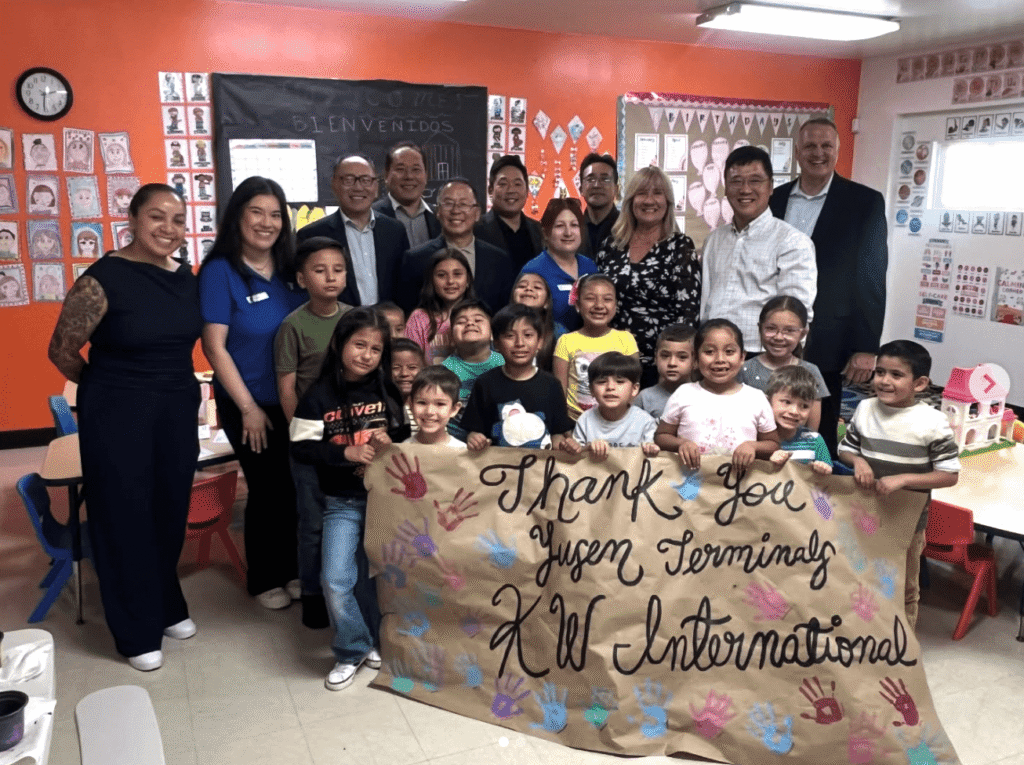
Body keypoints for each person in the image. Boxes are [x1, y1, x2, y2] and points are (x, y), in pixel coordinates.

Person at [46, 183, 201, 671]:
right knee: (123, 514)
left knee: (169, 508)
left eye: (178, 220)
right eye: (157, 217)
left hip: (176, 405)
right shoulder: (102, 278)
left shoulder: (186, 277)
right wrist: (107, 386)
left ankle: (165, 602)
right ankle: (134, 627)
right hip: (117, 410)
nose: (169, 230)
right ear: (132, 219)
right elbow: (62, 351)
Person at [198, 176, 305, 610]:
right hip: (249, 401)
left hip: (294, 399)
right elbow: (213, 346)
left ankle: (296, 568)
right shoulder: (220, 271)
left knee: (297, 486)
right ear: (237, 217)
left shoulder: (290, 267)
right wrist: (246, 408)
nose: (266, 222)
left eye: (275, 214)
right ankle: (265, 578)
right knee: (267, 488)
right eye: (256, 212)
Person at [289, 308, 408, 690]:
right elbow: (301, 447)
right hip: (342, 502)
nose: (367, 355)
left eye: (376, 348)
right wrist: (346, 455)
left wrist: (395, 439)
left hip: (385, 502)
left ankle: (373, 640)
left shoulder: (388, 389)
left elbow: (406, 433)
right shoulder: (317, 395)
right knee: (336, 578)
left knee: (373, 580)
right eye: (359, 344)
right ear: (339, 342)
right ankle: (351, 649)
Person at [770, 117, 888, 457]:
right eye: (809, 146)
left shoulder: (863, 202)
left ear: (837, 151)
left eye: (826, 146)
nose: (818, 153)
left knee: (818, 419)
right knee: (769, 415)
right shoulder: (774, 200)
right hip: (772, 330)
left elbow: (871, 275)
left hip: (828, 332)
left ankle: (817, 494)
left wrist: (866, 346)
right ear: (796, 152)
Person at [838, 340, 960, 629]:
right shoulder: (865, 409)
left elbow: (949, 474)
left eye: (896, 375)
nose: (884, 381)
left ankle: (900, 648)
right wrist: (858, 462)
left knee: (903, 586)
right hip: (863, 514)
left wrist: (904, 479)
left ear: (919, 384)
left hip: (908, 523)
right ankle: (859, 633)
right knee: (859, 576)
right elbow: (846, 448)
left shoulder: (933, 422)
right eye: (880, 372)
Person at [274, 236, 354, 628]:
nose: (330, 278)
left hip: (353, 440)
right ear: (302, 278)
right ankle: (311, 595)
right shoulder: (293, 326)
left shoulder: (357, 318)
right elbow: (287, 388)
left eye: (338, 270)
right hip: (310, 440)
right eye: (320, 271)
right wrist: (302, 436)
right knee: (313, 522)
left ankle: (347, 592)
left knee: (350, 516)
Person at [701, 146, 817, 355]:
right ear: (726, 188)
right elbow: (706, 304)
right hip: (713, 354)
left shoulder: (792, 242)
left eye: (755, 181)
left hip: (762, 355)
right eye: (736, 181)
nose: (745, 189)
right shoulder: (715, 239)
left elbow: (796, 313)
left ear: (771, 186)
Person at [594, 166, 701, 388]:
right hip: (612, 360)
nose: (649, 200)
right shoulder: (611, 245)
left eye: (658, 193)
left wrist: (674, 365)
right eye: (642, 193)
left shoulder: (680, 247)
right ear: (631, 200)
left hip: (661, 366)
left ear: (668, 201)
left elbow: (688, 314)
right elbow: (597, 298)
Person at [655, 318, 779, 471]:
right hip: (691, 486)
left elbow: (773, 444)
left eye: (729, 352)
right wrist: (681, 443)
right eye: (709, 352)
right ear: (695, 358)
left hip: (739, 487)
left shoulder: (756, 398)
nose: (720, 359)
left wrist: (752, 446)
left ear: (742, 357)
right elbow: (661, 436)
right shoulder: (684, 394)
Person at [461, 304, 579, 453]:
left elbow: (557, 433)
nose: (519, 343)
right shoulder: (485, 384)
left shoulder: (551, 384)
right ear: (496, 343)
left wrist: (565, 445)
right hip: (497, 471)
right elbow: (474, 431)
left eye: (528, 335)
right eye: (510, 336)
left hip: (541, 471)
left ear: (540, 342)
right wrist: (474, 439)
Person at [297, 154, 410, 306]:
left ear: (376, 187)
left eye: (365, 180)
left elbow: (404, 285)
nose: (358, 187)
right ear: (334, 185)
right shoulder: (311, 235)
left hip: (386, 325)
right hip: (337, 326)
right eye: (348, 180)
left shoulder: (395, 231)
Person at [398, 179, 514, 313]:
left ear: (477, 213)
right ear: (438, 211)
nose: (456, 210)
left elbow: (505, 314)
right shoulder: (415, 259)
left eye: (464, 204)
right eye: (448, 204)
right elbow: (407, 312)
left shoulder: (499, 260)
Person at [553, 274, 639, 421]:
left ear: (615, 305)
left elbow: (633, 388)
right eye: (590, 298)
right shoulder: (566, 341)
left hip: (617, 423)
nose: (599, 305)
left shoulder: (626, 340)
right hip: (576, 423)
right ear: (578, 305)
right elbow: (559, 392)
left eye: (607, 299)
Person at [738, 295, 828, 431]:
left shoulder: (811, 371)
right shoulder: (744, 369)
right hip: (753, 447)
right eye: (771, 328)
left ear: (803, 334)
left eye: (789, 331)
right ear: (760, 328)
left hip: (796, 448)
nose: (779, 337)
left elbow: (812, 431)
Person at [518, 198, 599, 332]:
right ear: (545, 233)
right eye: (559, 226)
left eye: (574, 225)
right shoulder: (533, 271)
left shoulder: (589, 266)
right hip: (549, 349)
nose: (568, 232)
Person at [573, 352, 659, 459]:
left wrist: (651, 449)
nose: (610, 387)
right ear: (591, 390)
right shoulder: (585, 420)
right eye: (602, 382)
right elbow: (576, 457)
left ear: (634, 389)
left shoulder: (645, 422)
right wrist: (588, 448)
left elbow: (654, 458)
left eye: (619, 381)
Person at [442, 299, 504, 440]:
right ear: (451, 337)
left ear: (492, 333)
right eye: (461, 322)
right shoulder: (444, 371)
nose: (470, 323)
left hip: (501, 444)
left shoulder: (505, 363)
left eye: (478, 320)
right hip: (458, 446)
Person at [404, 249, 477, 364]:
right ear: (432, 281)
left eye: (457, 274)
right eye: (441, 275)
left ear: (468, 280)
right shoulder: (419, 318)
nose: (450, 281)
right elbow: (409, 364)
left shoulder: (480, 317)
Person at [474, 155, 544, 270]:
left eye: (517, 184)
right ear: (490, 190)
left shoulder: (539, 230)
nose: (511, 190)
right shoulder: (476, 229)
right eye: (503, 184)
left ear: (527, 190)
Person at [765, 366, 833, 475]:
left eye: (804, 406)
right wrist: (769, 461)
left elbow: (829, 475)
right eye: (787, 402)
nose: (794, 411)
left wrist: (824, 469)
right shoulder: (759, 439)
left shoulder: (815, 440)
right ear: (768, 401)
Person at [371, 141, 441, 249]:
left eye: (416, 169)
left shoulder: (440, 217)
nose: (409, 176)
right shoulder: (370, 218)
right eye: (400, 169)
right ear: (386, 175)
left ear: (426, 176)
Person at [635, 323, 695, 421]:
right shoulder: (645, 398)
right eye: (665, 356)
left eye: (682, 357)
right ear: (656, 357)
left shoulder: (704, 396)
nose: (672, 363)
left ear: (696, 361)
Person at [509, 272, 565, 371]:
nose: (528, 289)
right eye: (522, 286)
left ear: (547, 303)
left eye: (537, 287)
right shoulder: (501, 325)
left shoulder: (557, 331)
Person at [405, 366, 467, 448]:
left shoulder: (462, 451)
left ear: (454, 409)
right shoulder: (402, 450)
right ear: (411, 404)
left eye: (440, 404)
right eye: (422, 402)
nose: (429, 411)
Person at [578, 153, 620, 256]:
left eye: (605, 179)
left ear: (616, 189)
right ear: (581, 189)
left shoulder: (627, 226)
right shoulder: (572, 229)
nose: (597, 185)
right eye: (590, 179)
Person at [391, 337, 426, 434]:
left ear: (423, 369)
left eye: (412, 367)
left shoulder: (430, 406)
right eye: (395, 367)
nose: (404, 373)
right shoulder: (380, 407)